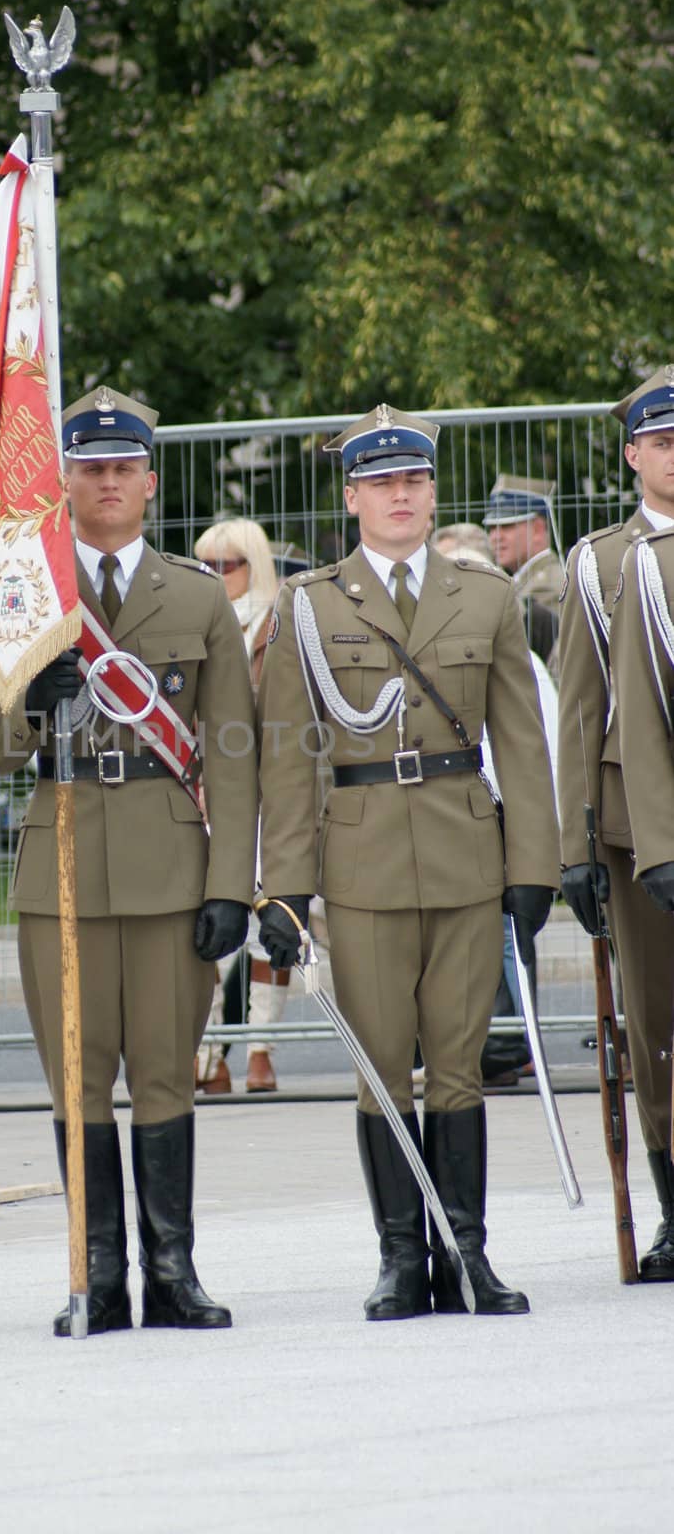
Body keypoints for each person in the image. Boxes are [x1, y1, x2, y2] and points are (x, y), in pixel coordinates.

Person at [256, 403, 559, 1321]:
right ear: (351, 497)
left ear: (433, 492)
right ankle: (400, 1258)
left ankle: (465, 1252)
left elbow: (521, 738)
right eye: (382, 482)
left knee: (459, 1063)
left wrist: (534, 865)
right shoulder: (307, 606)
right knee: (382, 1066)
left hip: (467, 848)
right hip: (362, 861)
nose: (401, 495)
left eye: (415, 480)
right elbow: (286, 751)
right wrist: (285, 886)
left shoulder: (486, 597)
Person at [0, 385, 258, 1336]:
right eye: (87, 469)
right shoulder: (28, 590)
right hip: (64, 868)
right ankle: (95, 1274)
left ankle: (171, 1271)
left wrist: (230, 887)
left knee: (167, 1074)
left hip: (174, 870)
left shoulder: (196, 594)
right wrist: (27, 696)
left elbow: (232, 752)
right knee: (79, 1081)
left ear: (149, 481)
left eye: (120, 468)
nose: (104, 482)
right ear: (66, 483)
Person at [577, 367, 674, 1279]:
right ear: (632, 453)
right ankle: (673, 1206)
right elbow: (578, 709)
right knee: (653, 1023)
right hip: (637, 829)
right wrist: (575, 844)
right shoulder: (601, 561)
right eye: (664, 441)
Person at [431, 523, 559, 1087]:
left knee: (508, 937)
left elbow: (539, 742)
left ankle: (514, 1040)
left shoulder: (518, 655)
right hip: (460, 812)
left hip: (498, 810)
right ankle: (490, 1042)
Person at [192, 517, 289, 1093]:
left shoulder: (278, 621)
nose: (215, 575)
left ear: (254, 565)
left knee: (273, 924)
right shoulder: (196, 618)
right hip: (213, 789)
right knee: (211, 923)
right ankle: (207, 1056)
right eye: (206, 565)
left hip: (274, 789)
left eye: (226, 565)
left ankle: (260, 1052)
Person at [482, 473, 563, 670]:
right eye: (492, 528)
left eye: (506, 526)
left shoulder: (549, 584)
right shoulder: (523, 581)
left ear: (537, 529)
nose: (495, 537)